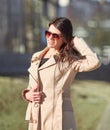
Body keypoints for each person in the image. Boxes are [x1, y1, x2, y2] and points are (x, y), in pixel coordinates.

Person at [22, 17, 101, 130]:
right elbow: (31, 87)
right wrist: (27, 95)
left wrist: (76, 42)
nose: (50, 37)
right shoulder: (36, 57)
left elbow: (95, 61)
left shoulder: (69, 61)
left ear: (64, 38)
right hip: (36, 117)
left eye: (55, 35)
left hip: (57, 119)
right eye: (48, 33)